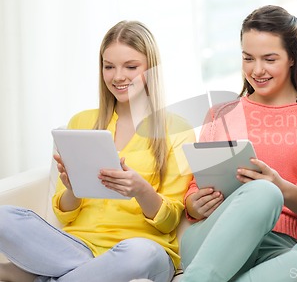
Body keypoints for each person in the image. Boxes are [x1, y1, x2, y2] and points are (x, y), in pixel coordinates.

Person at [0, 20, 195, 282]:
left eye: (131, 67)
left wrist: (141, 190)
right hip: (75, 246)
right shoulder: (82, 122)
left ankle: (38, 276)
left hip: (141, 250)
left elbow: (169, 221)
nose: (118, 77)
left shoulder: (176, 129)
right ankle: (85, 273)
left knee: (140, 253)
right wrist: (71, 188)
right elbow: (63, 212)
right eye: (109, 66)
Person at [179, 5, 297, 281]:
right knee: (262, 193)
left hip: (278, 248)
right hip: (213, 241)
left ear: (292, 58)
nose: (257, 70)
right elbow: (194, 191)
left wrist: (279, 185)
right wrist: (195, 204)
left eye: (269, 59)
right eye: (248, 58)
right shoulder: (221, 114)